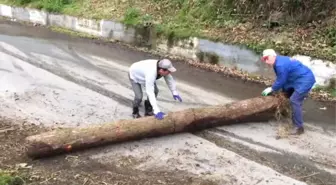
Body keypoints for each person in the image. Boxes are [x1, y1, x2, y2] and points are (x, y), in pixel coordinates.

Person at [260, 49, 316, 135]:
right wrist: (280, 90)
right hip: (295, 79)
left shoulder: (279, 65)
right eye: (264, 59)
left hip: (305, 80)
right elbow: (283, 78)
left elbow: (281, 80)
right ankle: (285, 112)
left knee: (295, 100)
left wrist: (272, 88)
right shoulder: (278, 61)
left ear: (273, 56)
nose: (266, 62)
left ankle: (299, 128)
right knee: (285, 93)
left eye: (267, 58)